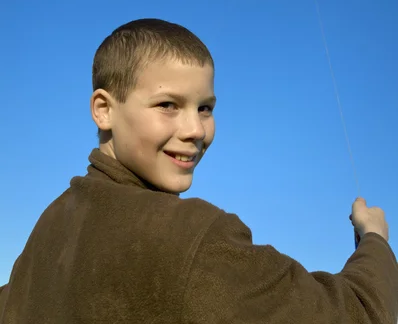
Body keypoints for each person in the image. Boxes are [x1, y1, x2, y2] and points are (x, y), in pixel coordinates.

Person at [0, 18, 397, 323]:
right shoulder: (193, 237)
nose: (195, 131)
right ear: (104, 109)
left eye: (205, 108)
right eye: (167, 105)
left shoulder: (45, 232)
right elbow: (359, 314)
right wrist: (374, 239)